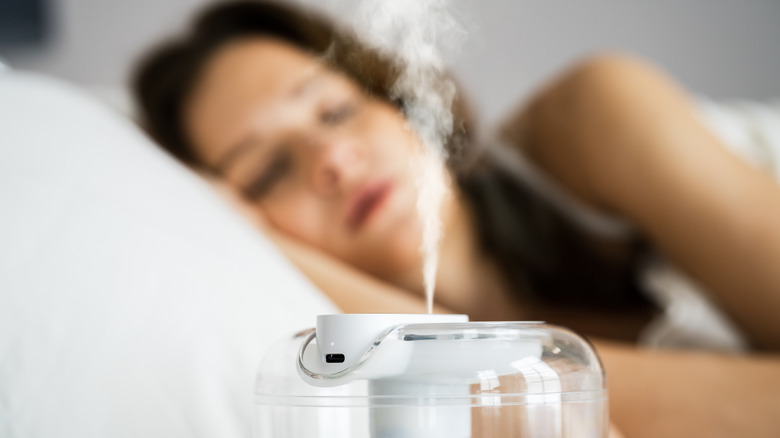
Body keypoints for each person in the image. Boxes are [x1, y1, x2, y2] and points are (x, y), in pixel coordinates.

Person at [133, 2, 780, 437]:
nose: (331, 159)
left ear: (399, 102)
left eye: (335, 110)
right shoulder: (348, 381)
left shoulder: (592, 117)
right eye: (269, 171)